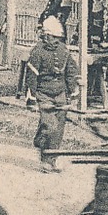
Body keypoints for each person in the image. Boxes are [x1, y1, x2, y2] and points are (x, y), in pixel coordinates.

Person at [24, 16, 79, 172]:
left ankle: (50, 162)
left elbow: (71, 71)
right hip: (44, 93)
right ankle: (40, 140)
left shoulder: (64, 50)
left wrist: (72, 91)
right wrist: (31, 98)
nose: (55, 40)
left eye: (57, 37)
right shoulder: (38, 51)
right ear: (46, 36)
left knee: (58, 130)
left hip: (60, 93)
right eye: (52, 37)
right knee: (49, 125)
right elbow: (32, 76)